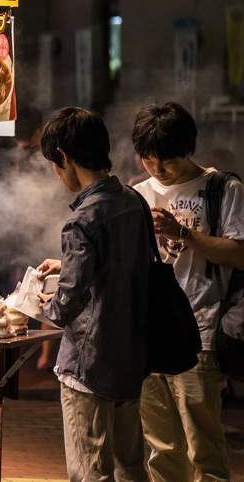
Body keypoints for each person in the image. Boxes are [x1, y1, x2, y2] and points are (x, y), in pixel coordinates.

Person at [35, 107, 151, 482]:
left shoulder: (80, 221)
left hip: (89, 365)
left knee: (90, 473)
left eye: (55, 164)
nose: (57, 174)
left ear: (64, 158)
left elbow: (69, 300)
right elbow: (128, 266)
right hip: (130, 357)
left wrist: (37, 308)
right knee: (131, 467)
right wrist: (66, 263)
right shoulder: (135, 201)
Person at [131, 102, 244, 482]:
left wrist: (181, 233)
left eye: (167, 161)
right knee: (161, 449)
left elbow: (240, 255)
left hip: (200, 330)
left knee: (204, 447)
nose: (159, 170)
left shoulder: (222, 188)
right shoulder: (137, 193)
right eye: (149, 161)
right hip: (149, 332)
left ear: (188, 149)